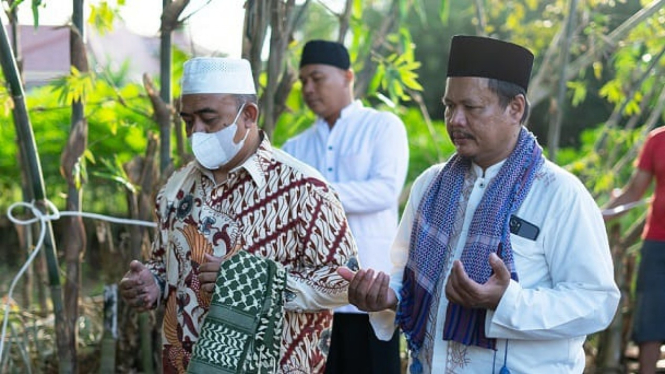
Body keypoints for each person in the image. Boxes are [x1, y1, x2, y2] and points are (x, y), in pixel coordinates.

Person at [338, 35, 621, 373]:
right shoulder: (431, 184)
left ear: (515, 108)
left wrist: (507, 301)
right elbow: (404, 274)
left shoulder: (559, 193)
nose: (455, 120)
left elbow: (596, 301)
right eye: (448, 106)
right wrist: (387, 296)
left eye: (471, 107)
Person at [119, 57, 358, 373]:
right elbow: (165, 262)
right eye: (188, 121)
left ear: (248, 115)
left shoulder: (304, 189)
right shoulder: (176, 188)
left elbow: (343, 282)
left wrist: (248, 281)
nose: (196, 132)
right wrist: (153, 282)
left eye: (209, 118)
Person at [282, 40, 408, 374]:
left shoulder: (383, 126)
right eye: (303, 81)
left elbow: (384, 191)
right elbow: (284, 206)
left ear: (348, 77)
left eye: (317, 78)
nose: (309, 88)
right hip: (311, 298)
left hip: (371, 295)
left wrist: (314, 192)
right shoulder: (295, 146)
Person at [603, 126, 665, 374]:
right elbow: (633, 191)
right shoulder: (657, 140)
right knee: (649, 318)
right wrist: (596, 217)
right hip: (657, 243)